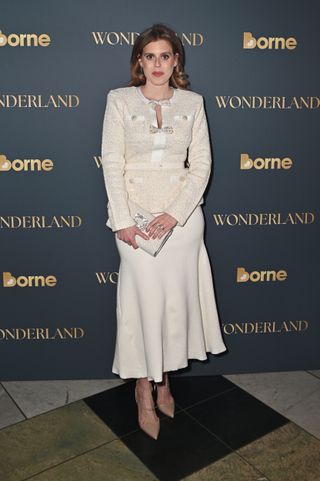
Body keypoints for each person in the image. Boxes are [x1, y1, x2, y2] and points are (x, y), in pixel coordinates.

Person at [101, 23, 227, 440]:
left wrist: (174, 214)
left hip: (183, 222)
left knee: (175, 305)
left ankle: (165, 378)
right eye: (149, 56)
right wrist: (122, 218)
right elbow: (112, 163)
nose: (157, 64)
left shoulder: (193, 102)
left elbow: (202, 165)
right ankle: (142, 385)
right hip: (133, 220)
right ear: (139, 60)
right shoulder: (118, 100)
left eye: (165, 56)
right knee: (142, 305)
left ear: (177, 61)